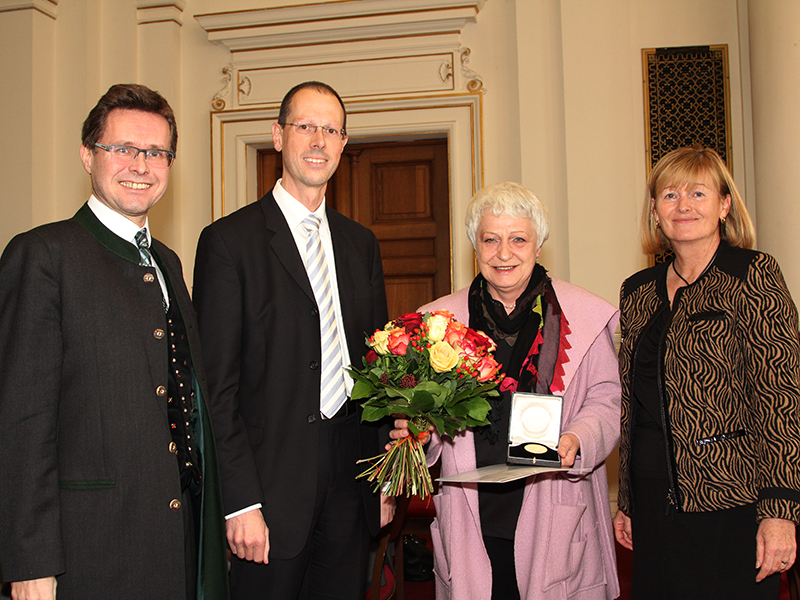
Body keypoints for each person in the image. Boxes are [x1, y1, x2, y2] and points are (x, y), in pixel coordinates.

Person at [0, 84, 229, 600]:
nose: (140, 166)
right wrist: (29, 562)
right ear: (88, 156)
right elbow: (21, 423)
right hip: (88, 553)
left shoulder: (168, 262)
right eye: (123, 149)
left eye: (156, 153)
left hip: (175, 543)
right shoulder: (43, 256)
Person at [193, 80, 392, 600]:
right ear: (278, 135)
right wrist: (239, 502)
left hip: (350, 491)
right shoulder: (228, 244)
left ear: (344, 144)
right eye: (305, 126)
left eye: (331, 130)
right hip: (268, 494)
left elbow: (379, 376)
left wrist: (383, 484)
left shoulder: (361, 245)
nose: (318, 141)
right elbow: (215, 389)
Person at [392, 181, 621, 600]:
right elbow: (424, 425)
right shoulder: (437, 323)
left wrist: (577, 438)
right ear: (474, 246)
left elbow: (607, 401)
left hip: (554, 504)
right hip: (471, 509)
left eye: (518, 239)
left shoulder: (585, 317)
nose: (503, 253)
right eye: (490, 239)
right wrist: (417, 435)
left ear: (538, 246)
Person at [613, 146, 800, 599]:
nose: (683, 206)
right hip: (653, 498)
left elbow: (781, 396)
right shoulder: (636, 291)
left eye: (698, 192)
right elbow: (629, 404)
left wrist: (781, 510)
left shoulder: (752, 274)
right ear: (655, 211)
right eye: (670, 194)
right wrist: (628, 502)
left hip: (732, 498)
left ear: (724, 205)